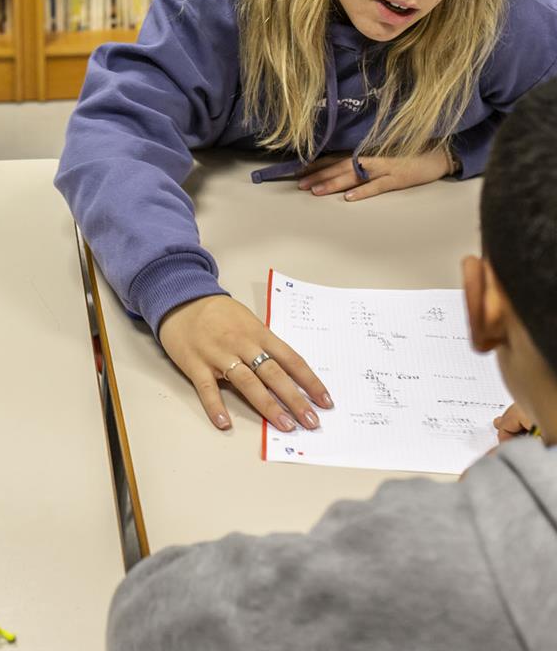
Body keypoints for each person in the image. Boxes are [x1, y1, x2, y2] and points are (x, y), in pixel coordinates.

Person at [56, 0, 557, 435]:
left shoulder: (494, 6)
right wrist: (179, 295)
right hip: (247, 241)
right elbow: (112, 133)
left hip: (403, 252)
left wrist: (454, 152)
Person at [107, 77, 557, 651]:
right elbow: (123, 122)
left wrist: (484, 514)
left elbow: (152, 618)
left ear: (482, 306)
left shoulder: (452, 558)